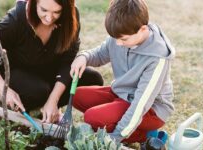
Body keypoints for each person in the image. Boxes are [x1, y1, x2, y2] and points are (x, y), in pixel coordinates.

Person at [0, 0, 103, 123]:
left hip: (50, 72)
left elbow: (68, 61)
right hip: (20, 74)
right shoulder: (14, 21)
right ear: (34, 3)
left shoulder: (70, 17)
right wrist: (4, 89)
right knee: (39, 91)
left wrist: (54, 99)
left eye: (57, 12)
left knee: (92, 79)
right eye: (44, 10)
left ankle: (50, 107)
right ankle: (30, 103)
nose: (49, 18)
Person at [70, 0, 175, 143]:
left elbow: (140, 104)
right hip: (122, 94)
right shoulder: (122, 34)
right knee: (77, 95)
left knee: (92, 117)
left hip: (151, 109)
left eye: (123, 39)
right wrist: (84, 57)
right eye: (115, 38)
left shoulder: (157, 59)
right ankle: (115, 119)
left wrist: (115, 137)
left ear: (143, 30)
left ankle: (146, 135)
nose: (118, 43)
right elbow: (100, 54)